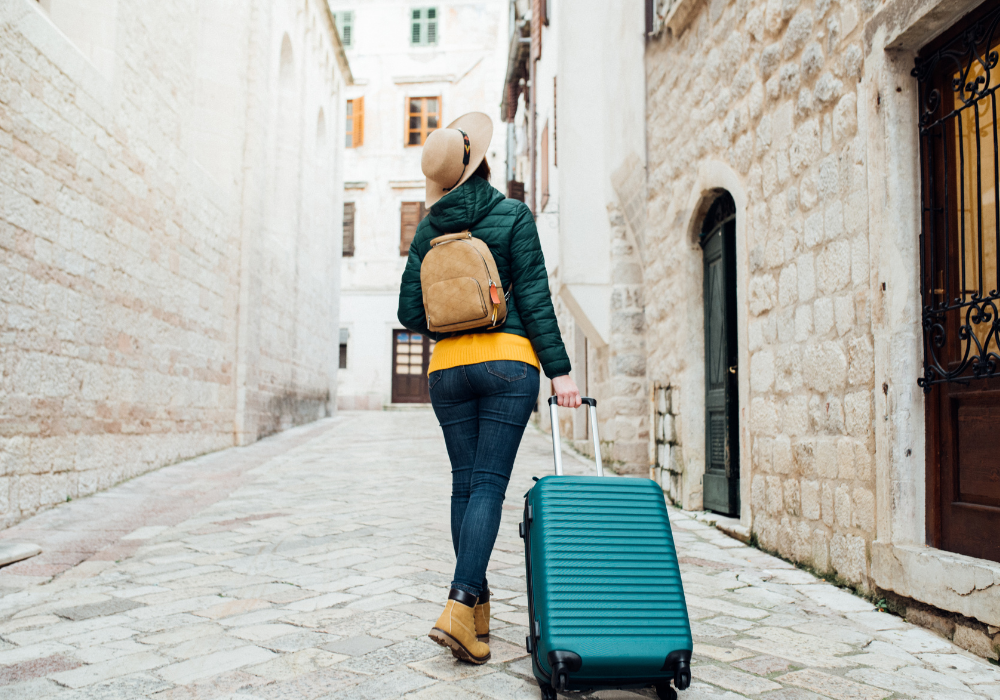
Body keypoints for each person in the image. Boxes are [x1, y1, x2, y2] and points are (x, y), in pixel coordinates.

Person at [397, 112, 581, 664]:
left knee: (464, 485)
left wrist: (453, 316)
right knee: (488, 487)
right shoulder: (513, 215)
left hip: (447, 371)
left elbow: (409, 313)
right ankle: (460, 602)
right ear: (480, 165)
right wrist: (561, 372)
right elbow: (535, 299)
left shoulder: (428, 231)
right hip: (507, 364)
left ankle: (475, 615)